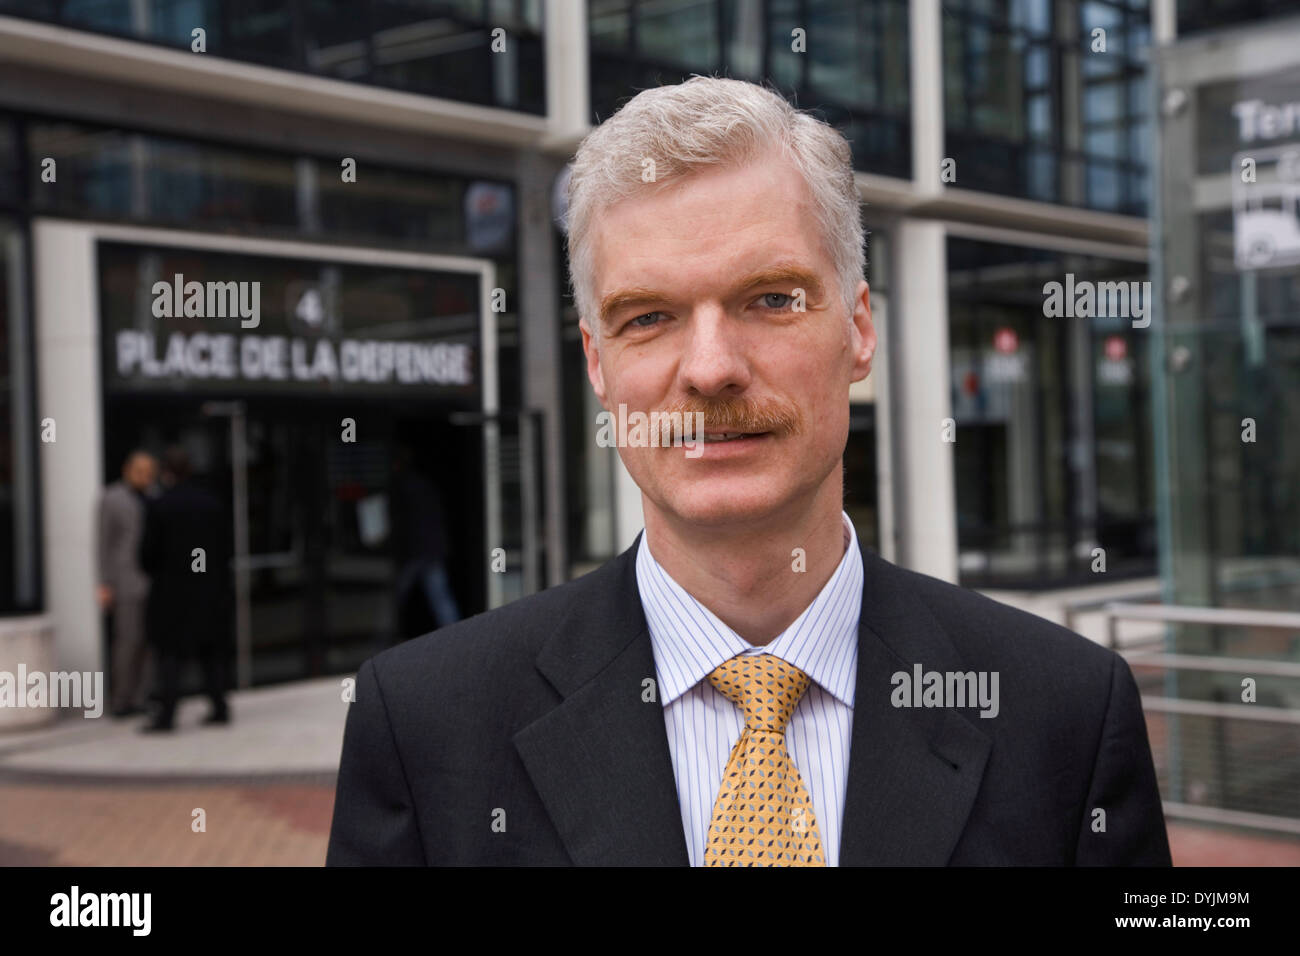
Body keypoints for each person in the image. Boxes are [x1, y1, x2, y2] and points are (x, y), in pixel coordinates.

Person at [327, 77, 1171, 866]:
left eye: (770, 298)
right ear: (597, 362)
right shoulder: (423, 728)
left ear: (859, 329)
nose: (710, 368)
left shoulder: (1063, 711)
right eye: (647, 316)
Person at [139, 446, 233, 732]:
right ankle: (219, 707)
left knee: (170, 656)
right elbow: (224, 549)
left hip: (172, 593)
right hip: (208, 590)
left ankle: (167, 714)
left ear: (167, 472)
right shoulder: (211, 504)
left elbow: (147, 555)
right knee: (210, 653)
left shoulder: (160, 506)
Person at [97, 450, 158, 718]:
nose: (145, 477)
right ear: (128, 470)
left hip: (152, 579)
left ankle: (142, 696)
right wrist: (104, 583)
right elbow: (103, 542)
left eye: (149, 472)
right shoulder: (112, 498)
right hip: (125, 580)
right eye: (140, 471)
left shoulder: (155, 497)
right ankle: (121, 699)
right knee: (128, 642)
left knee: (149, 643)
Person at [390, 445, 460, 638]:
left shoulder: (403, 486)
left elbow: (404, 522)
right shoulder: (424, 485)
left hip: (418, 551)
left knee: (394, 598)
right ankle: (457, 637)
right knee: (440, 598)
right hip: (431, 548)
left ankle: (379, 640)